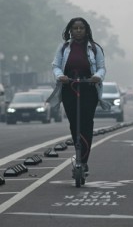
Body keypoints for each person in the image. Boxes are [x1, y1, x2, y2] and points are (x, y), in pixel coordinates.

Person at [48, 17, 108, 175]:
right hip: (70, 87)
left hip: (88, 88)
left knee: (86, 124)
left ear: (87, 30)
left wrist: (97, 77)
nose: (79, 31)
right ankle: (78, 154)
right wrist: (60, 76)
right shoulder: (64, 47)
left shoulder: (95, 48)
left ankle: (83, 160)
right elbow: (55, 65)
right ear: (70, 30)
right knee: (74, 123)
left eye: (81, 28)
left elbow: (102, 68)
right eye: (75, 28)